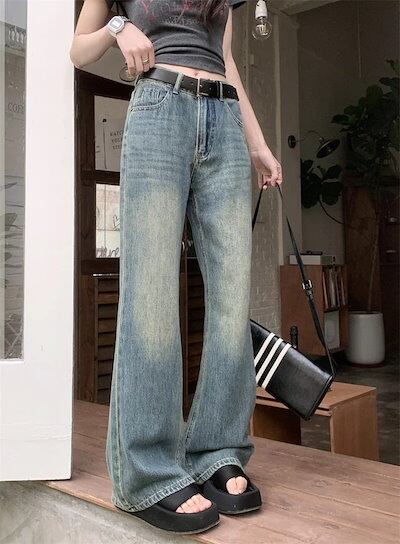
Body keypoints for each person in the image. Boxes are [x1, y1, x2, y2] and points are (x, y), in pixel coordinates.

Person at [70, 0, 283, 534]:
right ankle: (148, 471)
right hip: (159, 109)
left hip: (224, 119)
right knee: (152, 297)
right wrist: (119, 27)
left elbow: (226, 62)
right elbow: (78, 50)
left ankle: (218, 450)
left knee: (233, 296)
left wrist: (257, 144)